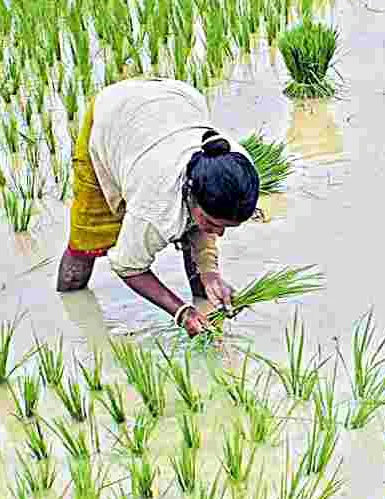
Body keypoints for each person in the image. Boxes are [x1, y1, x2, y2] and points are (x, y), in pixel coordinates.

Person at [55, 77, 259, 338]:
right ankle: (68, 320)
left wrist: (210, 275)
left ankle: (207, 316)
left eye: (226, 227)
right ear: (190, 195)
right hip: (114, 116)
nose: (219, 234)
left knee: (197, 240)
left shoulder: (237, 169)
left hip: (175, 102)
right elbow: (127, 266)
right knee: (87, 238)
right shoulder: (154, 206)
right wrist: (181, 311)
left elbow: (204, 223)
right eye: (212, 223)